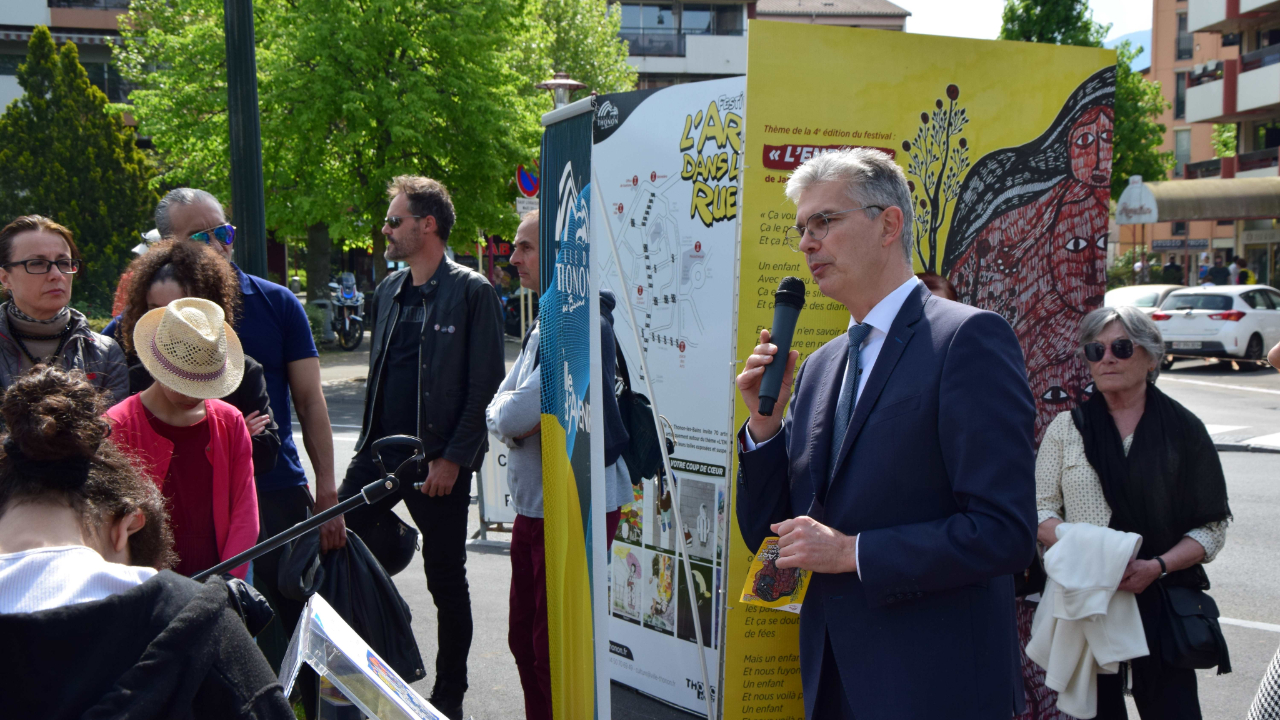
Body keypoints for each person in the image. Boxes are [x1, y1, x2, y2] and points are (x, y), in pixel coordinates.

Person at [735, 148, 1037, 719]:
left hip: (933, 687)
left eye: (825, 221)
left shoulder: (966, 340)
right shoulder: (823, 365)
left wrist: (854, 553)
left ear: (888, 224)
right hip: (832, 681)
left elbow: (1005, 532)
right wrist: (764, 426)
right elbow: (771, 536)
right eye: (802, 227)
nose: (806, 243)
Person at [0, 365, 293, 719]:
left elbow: (245, 509)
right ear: (128, 525)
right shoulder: (200, 620)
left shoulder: (226, 421)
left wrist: (231, 572)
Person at [145, 188, 343, 667]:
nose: (219, 242)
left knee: (291, 641)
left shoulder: (277, 303)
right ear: (167, 244)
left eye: (224, 230)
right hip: (182, 503)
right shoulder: (149, 314)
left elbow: (310, 400)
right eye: (202, 234)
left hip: (276, 493)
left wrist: (327, 491)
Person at [339, 175, 505, 720]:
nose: (384, 230)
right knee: (335, 544)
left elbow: (483, 385)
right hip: (378, 453)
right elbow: (381, 376)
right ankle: (353, 677)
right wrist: (365, 450)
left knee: (446, 579)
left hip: (434, 460)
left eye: (393, 221)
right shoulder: (388, 290)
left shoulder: (472, 290)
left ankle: (449, 697)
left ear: (425, 225)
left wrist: (453, 459)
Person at [1036, 305, 1230, 719]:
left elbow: (1212, 527)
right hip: (1088, 599)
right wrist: (1093, 551)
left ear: (1150, 356)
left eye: (1121, 347)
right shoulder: (1067, 429)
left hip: (1159, 598)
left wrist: (1156, 566)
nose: (1107, 358)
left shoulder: (1184, 430)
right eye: (1095, 349)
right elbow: (1039, 512)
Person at [486, 210, 630, 720]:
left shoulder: (578, 318)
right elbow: (510, 405)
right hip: (540, 505)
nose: (513, 258)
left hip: (575, 505)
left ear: (558, 255)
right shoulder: (549, 315)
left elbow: (520, 409)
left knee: (555, 650)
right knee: (525, 642)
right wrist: (506, 413)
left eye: (525, 247)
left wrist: (504, 413)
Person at [105, 298, 259, 580]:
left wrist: (227, 583)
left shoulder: (230, 422)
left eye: (203, 384)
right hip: (145, 585)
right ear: (156, 367)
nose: (191, 395)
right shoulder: (118, 425)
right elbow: (109, 523)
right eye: (182, 383)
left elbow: (245, 515)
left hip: (218, 578)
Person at [110, 239, 279, 477]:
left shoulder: (242, 371)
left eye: (178, 309)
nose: (168, 321)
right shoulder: (137, 374)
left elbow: (267, 453)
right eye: (154, 309)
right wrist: (231, 438)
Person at [0, 215, 127, 403]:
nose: (56, 275)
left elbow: (111, 427)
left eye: (64, 263)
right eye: (37, 263)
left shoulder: (104, 353)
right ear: (5, 278)